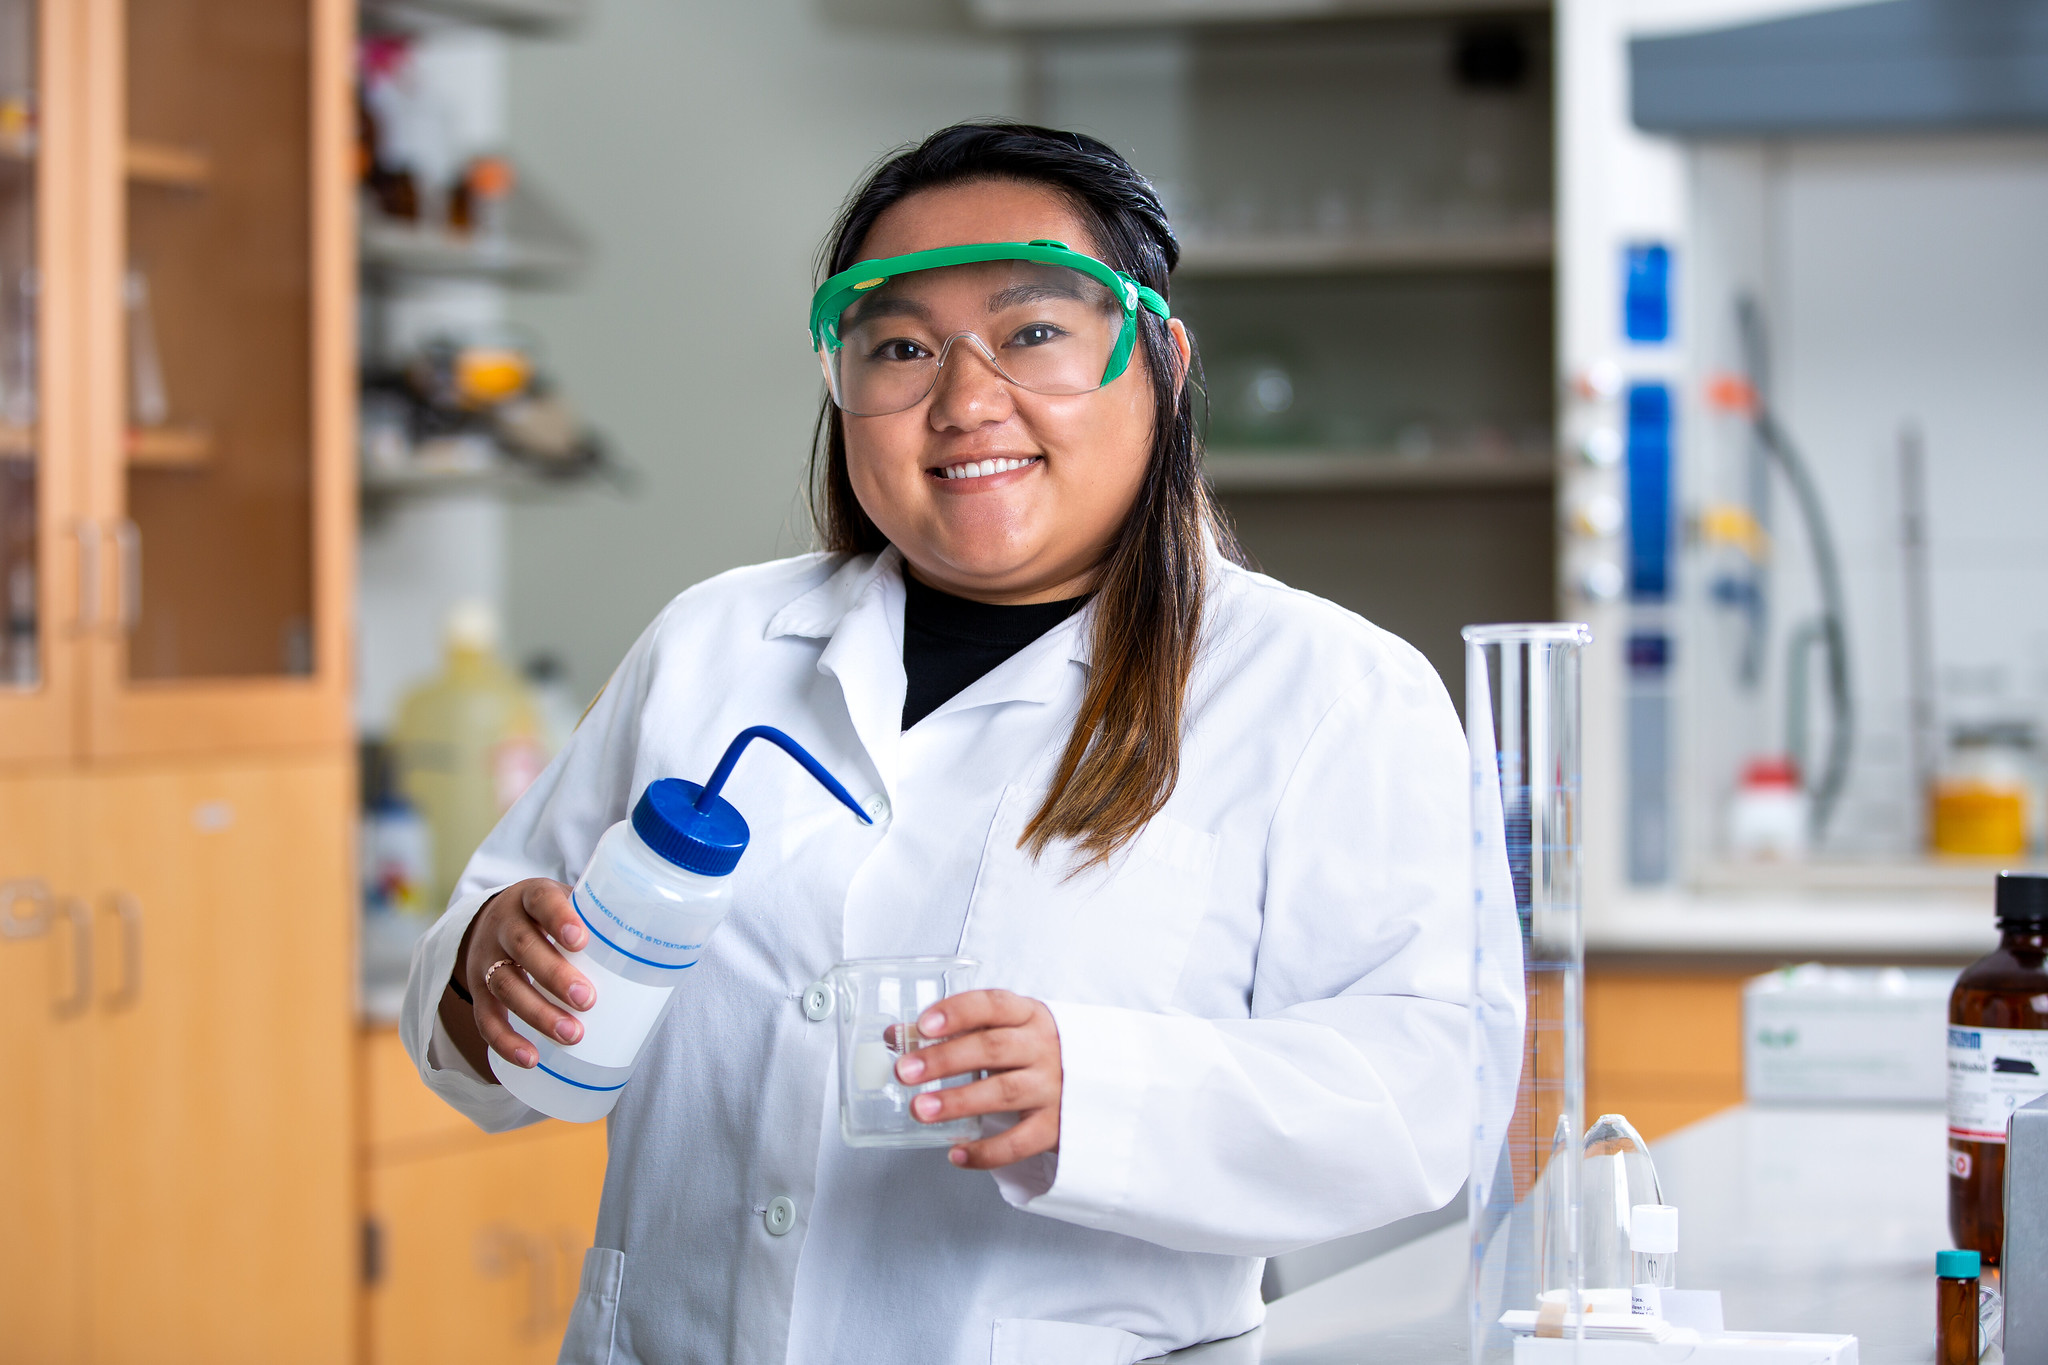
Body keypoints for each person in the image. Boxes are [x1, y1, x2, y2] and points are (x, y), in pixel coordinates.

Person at [402, 122, 1475, 1365]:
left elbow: (1415, 1094)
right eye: (901, 347)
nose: (964, 401)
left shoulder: (1324, 692)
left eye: (1032, 333)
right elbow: (484, 977)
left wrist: (1101, 1088)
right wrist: (487, 967)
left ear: (1163, 363)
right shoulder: (716, 642)